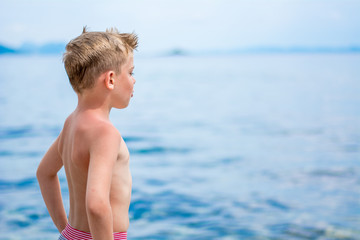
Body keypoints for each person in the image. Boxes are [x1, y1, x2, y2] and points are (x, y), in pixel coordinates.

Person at [36, 27, 138, 240]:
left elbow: (44, 173)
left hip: (71, 235)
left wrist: (66, 231)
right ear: (110, 79)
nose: (134, 80)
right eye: (130, 72)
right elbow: (97, 205)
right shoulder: (105, 133)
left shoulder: (71, 123)